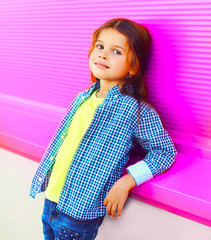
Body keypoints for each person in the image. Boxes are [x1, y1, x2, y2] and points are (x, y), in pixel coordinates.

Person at [30, 17, 177, 240]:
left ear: (134, 66)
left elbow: (164, 152)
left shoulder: (134, 110)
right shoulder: (82, 98)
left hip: (79, 212)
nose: (103, 54)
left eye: (116, 51)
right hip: (51, 199)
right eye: (100, 46)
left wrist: (126, 182)